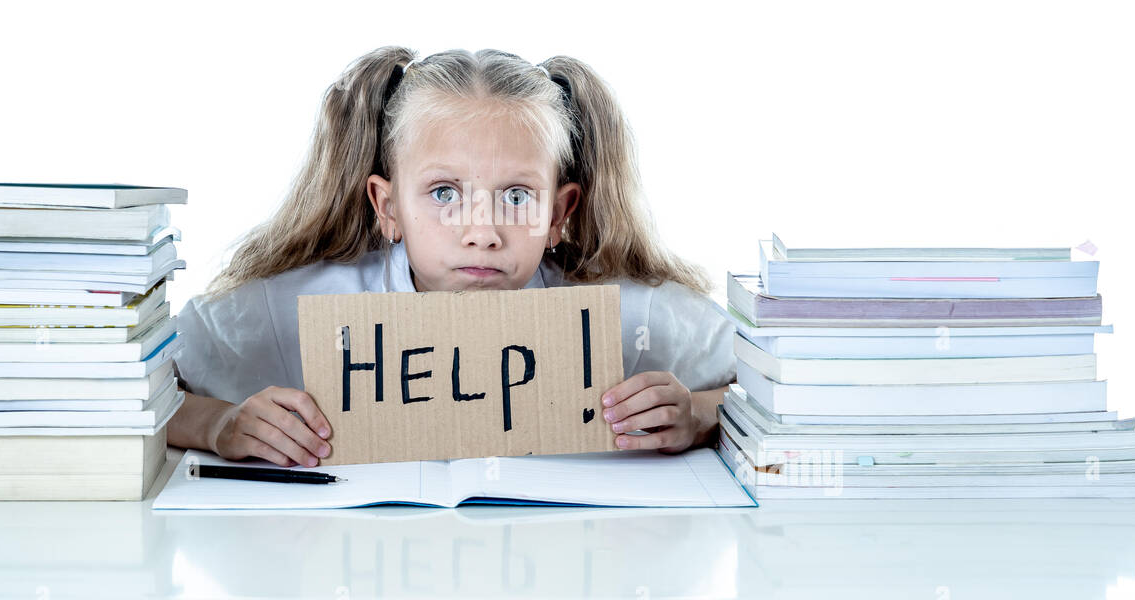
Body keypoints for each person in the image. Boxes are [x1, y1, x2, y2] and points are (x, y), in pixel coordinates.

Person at [167, 47, 736, 467]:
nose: (482, 232)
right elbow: (123, 385)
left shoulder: (627, 318)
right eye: (444, 194)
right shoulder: (290, 308)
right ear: (386, 206)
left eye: (517, 196)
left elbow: (777, 380)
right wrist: (219, 425)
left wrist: (700, 415)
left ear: (560, 214)